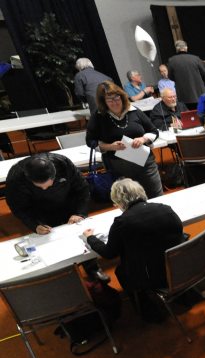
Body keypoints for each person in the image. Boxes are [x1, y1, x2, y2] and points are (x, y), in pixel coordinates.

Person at [82, 178, 184, 313]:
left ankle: (145, 308)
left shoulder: (122, 222)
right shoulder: (166, 209)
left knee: (121, 271)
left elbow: (109, 253)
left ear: (118, 202)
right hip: (180, 265)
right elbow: (179, 231)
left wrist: (90, 238)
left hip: (155, 276)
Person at [85, 81, 163, 198]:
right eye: (109, 100)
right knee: (130, 201)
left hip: (145, 163)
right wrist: (110, 146)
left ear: (122, 96)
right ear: (103, 102)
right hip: (118, 168)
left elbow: (154, 131)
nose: (114, 102)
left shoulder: (134, 111)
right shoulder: (98, 116)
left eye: (116, 98)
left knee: (157, 196)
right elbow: (90, 141)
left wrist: (143, 139)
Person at [6, 153, 90, 236]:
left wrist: (80, 213)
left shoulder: (63, 164)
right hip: (40, 213)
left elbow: (83, 188)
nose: (44, 189)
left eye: (48, 185)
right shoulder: (15, 178)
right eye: (39, 186)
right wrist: (34, 225)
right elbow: (18, 207)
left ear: (54, 176)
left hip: (68, 205)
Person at [167, 40, 205, 106]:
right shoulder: (195, 58)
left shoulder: (171, 60)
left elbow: (170, 76)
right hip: (200, 94)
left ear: (176, 49)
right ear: (186, 48)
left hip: (183, 96)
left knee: (188, 115)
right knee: (203, 114)